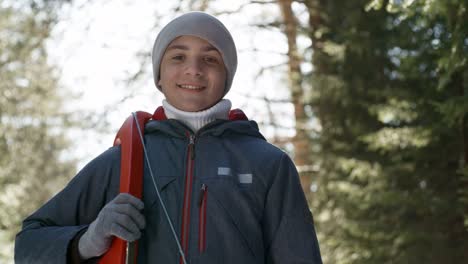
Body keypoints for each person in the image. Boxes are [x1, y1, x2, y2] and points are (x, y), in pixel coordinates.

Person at [15, 11, 322, 264]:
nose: (194, 69)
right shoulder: (123, 161)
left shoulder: (269, 164)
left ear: (227, 76)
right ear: (159, 74)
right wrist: (87, 240)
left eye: (210, 59)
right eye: (178, 57)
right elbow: (27, 245)